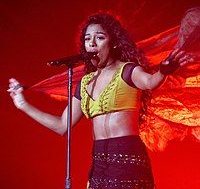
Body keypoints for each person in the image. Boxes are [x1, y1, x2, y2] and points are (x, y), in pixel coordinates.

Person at [8, 12, 194, 189]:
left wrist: (163, 71)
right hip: (99, 163)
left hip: (128, 159)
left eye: (99, 37)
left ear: (113, 43)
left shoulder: (128, 71)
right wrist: (23, 105)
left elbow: (150, 82)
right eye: (88, 39)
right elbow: (62, 126)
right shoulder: (85, 83)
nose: (92, 44)